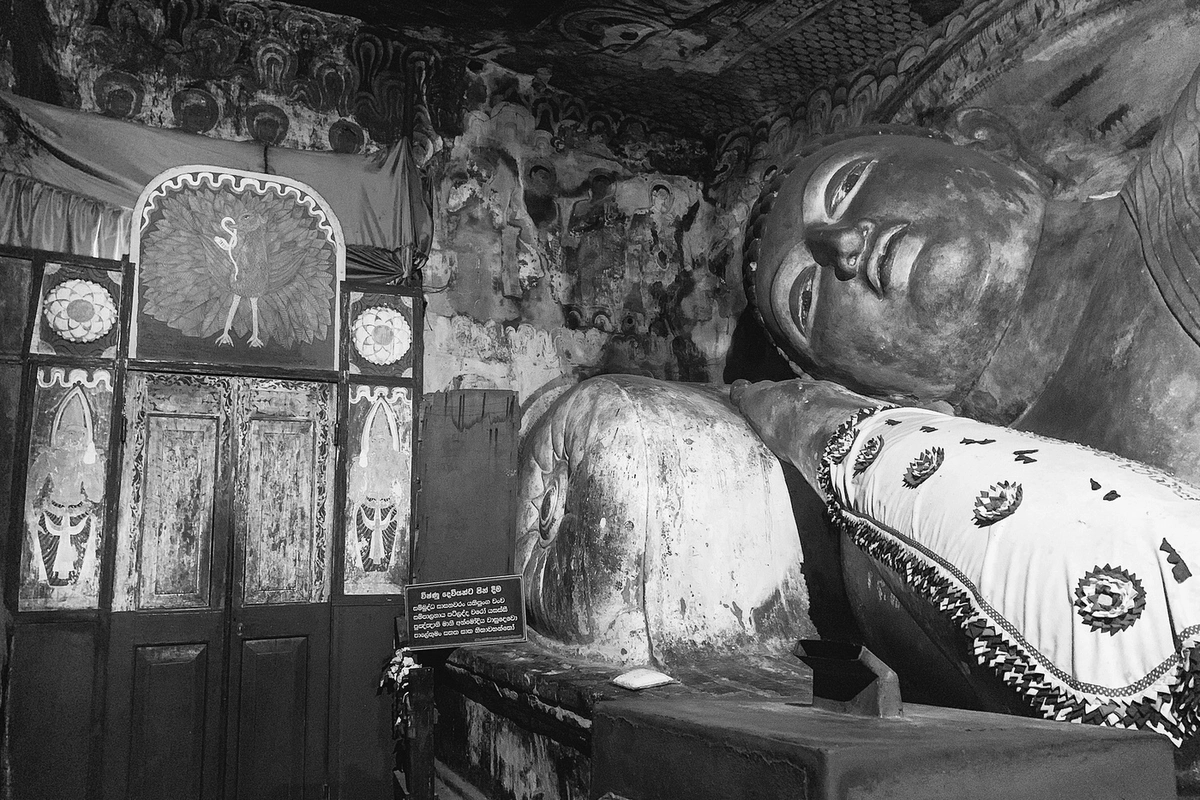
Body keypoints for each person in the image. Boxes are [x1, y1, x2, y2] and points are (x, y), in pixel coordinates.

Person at [742, 62, 1200, 487]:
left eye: (847, 184)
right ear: (882, 397)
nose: (842, 244)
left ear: (983, 139)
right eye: (806, 298)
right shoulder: (1021, 509)